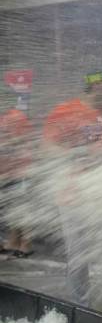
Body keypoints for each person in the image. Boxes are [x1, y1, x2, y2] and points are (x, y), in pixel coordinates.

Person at [42, 70, 102, 307]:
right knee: (78, 254)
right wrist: (82, 153)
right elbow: (47, 150)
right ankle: (80, 305)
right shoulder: (65, 111)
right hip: (72, 194)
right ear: (97, 85)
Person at [0, 108, 34, 259]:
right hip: (6, 170)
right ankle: (13, 242)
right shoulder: (6, 116)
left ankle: (26, 244)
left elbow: (22, 140)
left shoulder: (15, 116)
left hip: (18, 170)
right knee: (12, 210)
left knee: (22, 209)